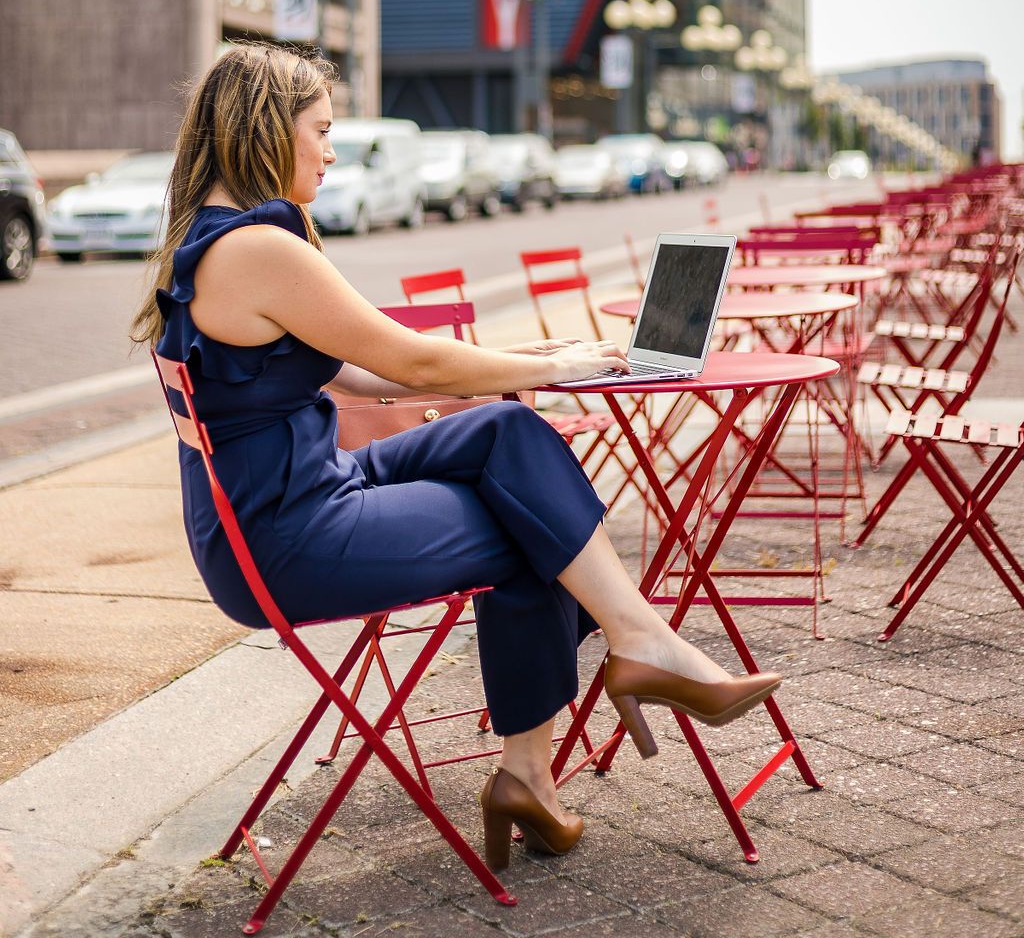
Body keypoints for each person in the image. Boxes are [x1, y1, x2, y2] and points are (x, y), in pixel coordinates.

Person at [132, 44, 780, 873]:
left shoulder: (214, 241)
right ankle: (554, 745)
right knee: (532, 527)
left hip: (293, 499)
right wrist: (553, 370)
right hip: (289, 536)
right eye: (322, 131)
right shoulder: (259, 249)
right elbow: (413, 361)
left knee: (507, 435)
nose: (333, 153)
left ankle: (622, 663)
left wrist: (528, 358)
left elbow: (356, 369)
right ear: (267, 129)